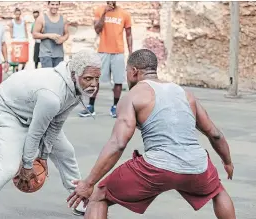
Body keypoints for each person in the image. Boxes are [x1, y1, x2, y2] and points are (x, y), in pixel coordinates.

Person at [67, 49, 236, 219]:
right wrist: (227, 162)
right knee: (218, 191)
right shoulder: (186, 94)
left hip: (156, 167)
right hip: (196, 165)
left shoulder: (132, 96)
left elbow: (118, 143)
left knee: (98, 196)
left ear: (134, 71)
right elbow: (215, 134)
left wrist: (88, 183)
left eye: (126, 72)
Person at [0, 50, 101, 219]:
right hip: (8, 111)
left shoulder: (75, 88)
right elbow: (36, 132)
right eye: (88, 78)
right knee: (6, 169)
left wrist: (43, 156)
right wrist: (27, 164)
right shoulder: (52, 95)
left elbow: (55, 124)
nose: (94, 84)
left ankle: (79, 199)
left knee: (66, 152)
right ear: (74, 74)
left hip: (35, 111)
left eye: (96, 78)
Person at [78, 1, 133, 118]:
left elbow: (129, 34)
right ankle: (91, 107)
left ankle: (115, 107)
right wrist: (104, 13)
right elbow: (97, 29)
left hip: (118, 52)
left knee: (118, 81)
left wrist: (131, 52)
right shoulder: (99, 10)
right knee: (96, 80)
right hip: (103, 51)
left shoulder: (124, 14)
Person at [33, 1, 69, 68]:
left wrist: (62, 39)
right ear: (48, 5)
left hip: (59, 54)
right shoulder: (41, 18)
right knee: (48, 77)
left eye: (56, 5)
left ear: (59, 5)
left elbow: (66, 34)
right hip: (45, 54)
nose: (54, 7)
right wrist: (48, 35)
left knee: (58, 77)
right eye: (52, 4)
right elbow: (34, 34)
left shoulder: (63, 19)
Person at [9, 8, 28, 72]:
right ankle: (17, 69)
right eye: (16, 14)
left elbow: (25, 30)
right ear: (14, 14)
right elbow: (11, 31)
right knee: (16, 57)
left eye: (18, 14)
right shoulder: (12, 22)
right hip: (15, 41)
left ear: (20, 14)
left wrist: (26, 38)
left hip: (23, 40)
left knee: (24, 58)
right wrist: (12, 38)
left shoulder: (23, 21)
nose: (17, 15)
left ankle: (22, 69)